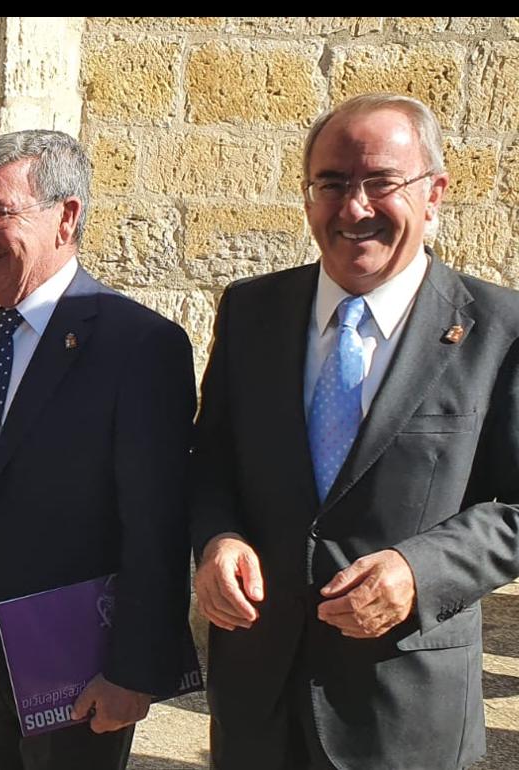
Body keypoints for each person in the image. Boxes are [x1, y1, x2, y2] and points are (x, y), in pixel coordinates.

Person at [191, 93, 519, 770]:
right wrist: (216, 539)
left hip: (405, 715)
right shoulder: (252, 312)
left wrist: (418, 571)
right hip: (257, 706)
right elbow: (211, 460)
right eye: (332, 184)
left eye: (381, 183)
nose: (355, 208)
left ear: (434, 195)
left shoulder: (499, 331)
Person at [0, 129, 197, 770]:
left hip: (79, 657)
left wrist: (135, 670)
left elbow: (156, 525)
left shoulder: (137, 345)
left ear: (66, 217)